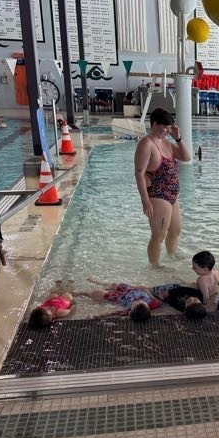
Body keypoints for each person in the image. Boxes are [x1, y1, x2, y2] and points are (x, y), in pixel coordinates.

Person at [134, 108, 191, 267]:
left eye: (169, 127)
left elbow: (186, 157)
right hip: (157, 194)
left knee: (175, 231)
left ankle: (171, 255)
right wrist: (145, 200)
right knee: (159, 234)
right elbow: (139, 173)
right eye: (164, 127)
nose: (167, 130)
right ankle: (155, 265)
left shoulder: (166, 142)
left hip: (172, 194)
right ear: (154, 124)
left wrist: (178, 139)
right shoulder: (147, 144)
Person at [80, 278, 162, 321]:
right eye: (142, 302)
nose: (139, 300)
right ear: (148, 307)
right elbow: (160, 297)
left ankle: (82, 293)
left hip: (120, 297)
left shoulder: (127, 311)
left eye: (136, 302)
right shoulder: (154, 303)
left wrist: (95, 316)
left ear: (131, 310)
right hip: (132, 289)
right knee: (114, 284)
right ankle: (97, 282)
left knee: (96, 293)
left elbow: (111, 313)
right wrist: (146, 289)